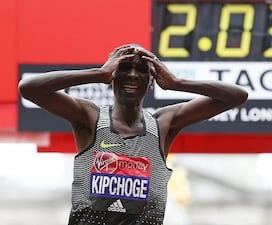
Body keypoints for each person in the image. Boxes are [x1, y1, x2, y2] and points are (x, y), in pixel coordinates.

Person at [18, 43, 248, 225]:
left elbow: (236, 96)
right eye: (124, 68)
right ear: (112, 77)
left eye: (142, 70)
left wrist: (177, 83)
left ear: (150, 82)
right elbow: (29, 88)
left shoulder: (163, 124)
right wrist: (98, 73)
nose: (133, 75)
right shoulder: (90, 118)